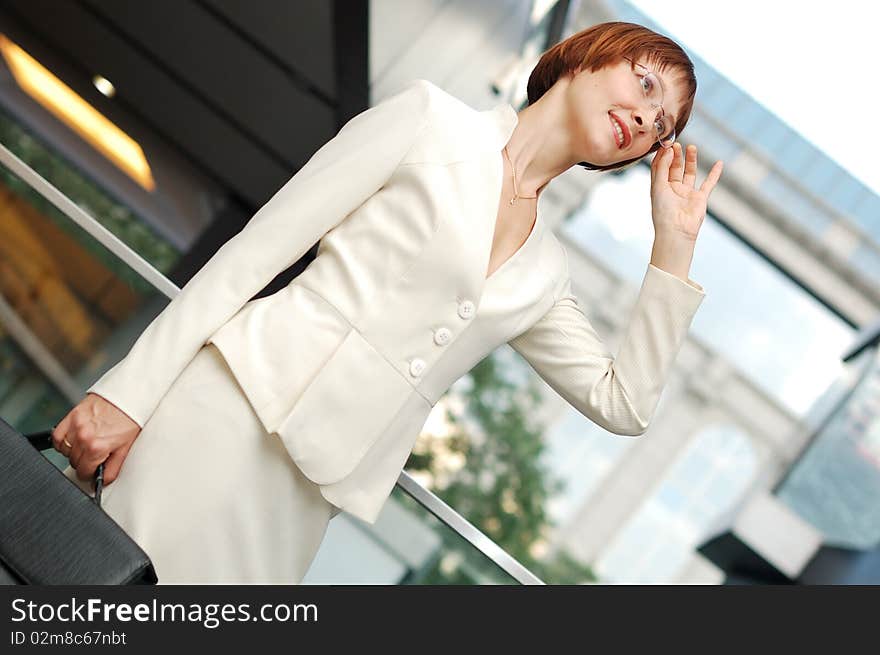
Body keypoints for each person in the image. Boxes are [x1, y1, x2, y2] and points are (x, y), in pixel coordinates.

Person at [55, 21, 722, 584]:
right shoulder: (430, 119)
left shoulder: (546, 272)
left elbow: (625, 404)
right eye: (645, 85)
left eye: (660, 125)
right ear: (585, 56)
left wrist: (674, 247)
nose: (645, 119)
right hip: (228, 412)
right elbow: (253, 255)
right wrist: (129, 394)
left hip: (310, 498)